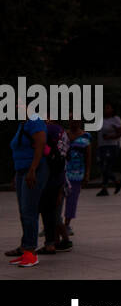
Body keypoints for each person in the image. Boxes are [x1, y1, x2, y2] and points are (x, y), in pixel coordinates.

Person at [7, 112, 47, 268]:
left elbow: (41, 143)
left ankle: (31, 253)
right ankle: (25, 250)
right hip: (22, 171)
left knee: (29, 211)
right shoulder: (23, 123)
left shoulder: (35, 120)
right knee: (24, 212)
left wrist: (32, 169)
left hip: (33, 171)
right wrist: (17, 173)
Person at [38, 118, 72, 254]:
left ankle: (65, 240)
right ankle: (57, 241)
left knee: (54, 215)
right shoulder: (62, 132)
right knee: (54, 214)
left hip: (56, 178)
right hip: (62, 175)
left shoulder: (50, 129)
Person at [64, 121, 91, 237]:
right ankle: (51, 224)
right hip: (62, 171)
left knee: (72, 200)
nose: (73, 122)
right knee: (55, 199)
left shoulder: (86, 136)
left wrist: (87, 174)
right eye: (70, 119)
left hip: (77, 173)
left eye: (75, 119)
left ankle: (66, 225)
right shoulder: (64, 134)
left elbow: (88, 156)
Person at [96, 102, 121, 196]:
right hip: (102, 146)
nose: (105, 110)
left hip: (112, 145)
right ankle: (115, 183)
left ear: (112, 109)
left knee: (106, 167)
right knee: (101, 166)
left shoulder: (115, 119)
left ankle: (107, 186)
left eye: (108, 108)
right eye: (105, 108)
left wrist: (110, 136)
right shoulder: (101, 120)